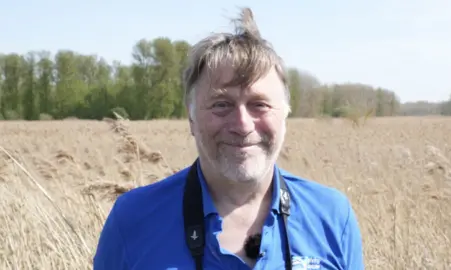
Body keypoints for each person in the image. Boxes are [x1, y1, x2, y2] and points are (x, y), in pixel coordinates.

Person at [93, 7, 364, 270]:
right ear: (191, 118)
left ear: (285, 116)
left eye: (260, 105)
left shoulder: (331, 216)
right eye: (221, 104)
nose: (242, 125)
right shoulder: (133, 220)